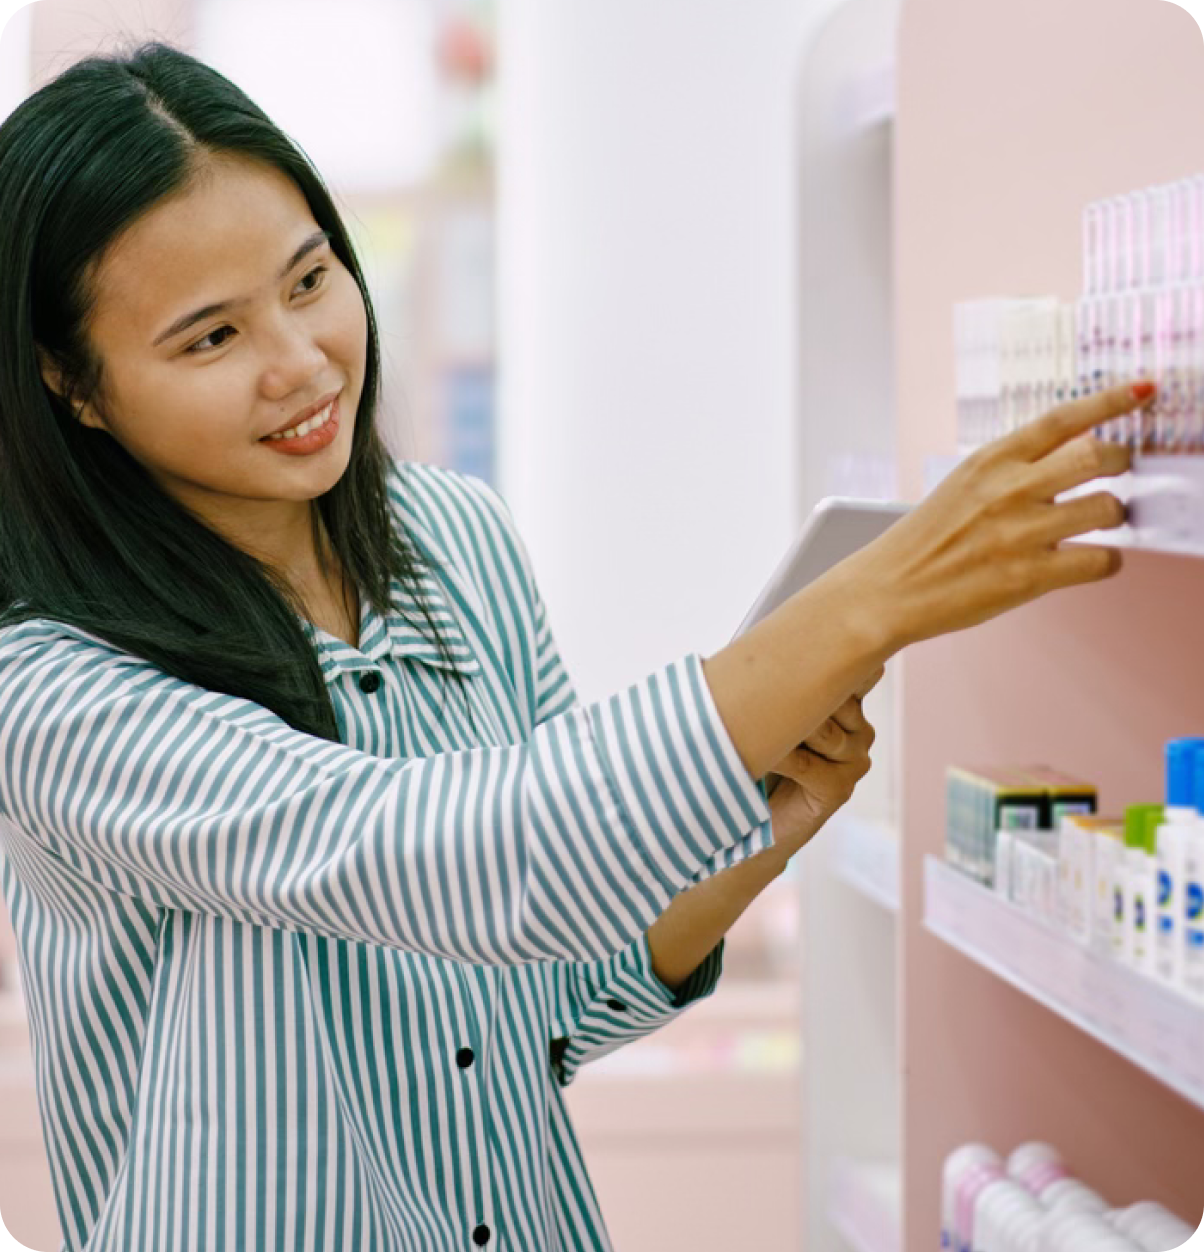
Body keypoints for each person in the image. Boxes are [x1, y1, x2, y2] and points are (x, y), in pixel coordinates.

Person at [0, 40, 1145, 1252]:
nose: (300, 361)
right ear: (72, 384)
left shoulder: (453, 540)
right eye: (209, 339)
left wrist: (755, 836)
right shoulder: (52, 687)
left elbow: (547, 999)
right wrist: (865, 603)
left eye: (309, 278)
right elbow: (436, 857)